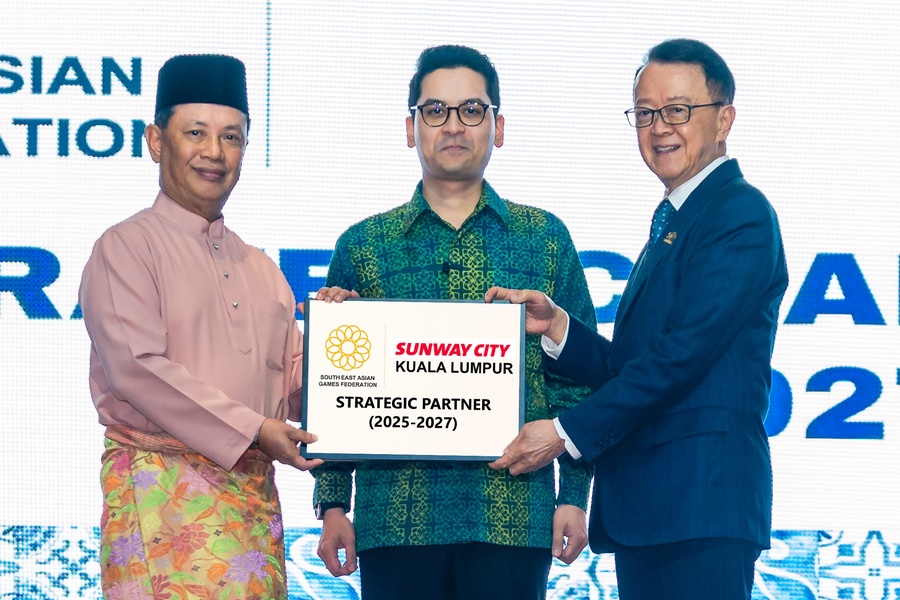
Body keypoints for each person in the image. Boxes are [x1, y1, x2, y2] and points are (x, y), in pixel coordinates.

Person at [486, 38, 789, 600]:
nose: (659, 127)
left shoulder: (739, 213)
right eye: (646, 113)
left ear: (724, 119)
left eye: (677, 109)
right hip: (654, 508)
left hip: (699, 504)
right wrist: (557, 326)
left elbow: (681, 358)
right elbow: (636, 363)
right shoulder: (677, 215)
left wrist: (561, 434)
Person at [311, 44, 596, 600]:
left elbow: (578, 379)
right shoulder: (365, 245)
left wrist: (573, 498)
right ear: (411, 127)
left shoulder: (545, 238)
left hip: (513, 518)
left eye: (472, 110)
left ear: (499, 125)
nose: (454, 126)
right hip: (394, 519)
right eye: (435, 111)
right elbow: (337, 392)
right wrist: (332, 504)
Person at [79, 54, 322, 599]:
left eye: (231, 137)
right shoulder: (125, 247)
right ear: (156, 141)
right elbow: (136, 370)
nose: (214, 152)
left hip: (252, 519)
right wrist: (256, 430)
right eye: (196, 133)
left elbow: (299, 390)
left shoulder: (265, 270)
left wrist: (351, 346)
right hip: (159, 506)